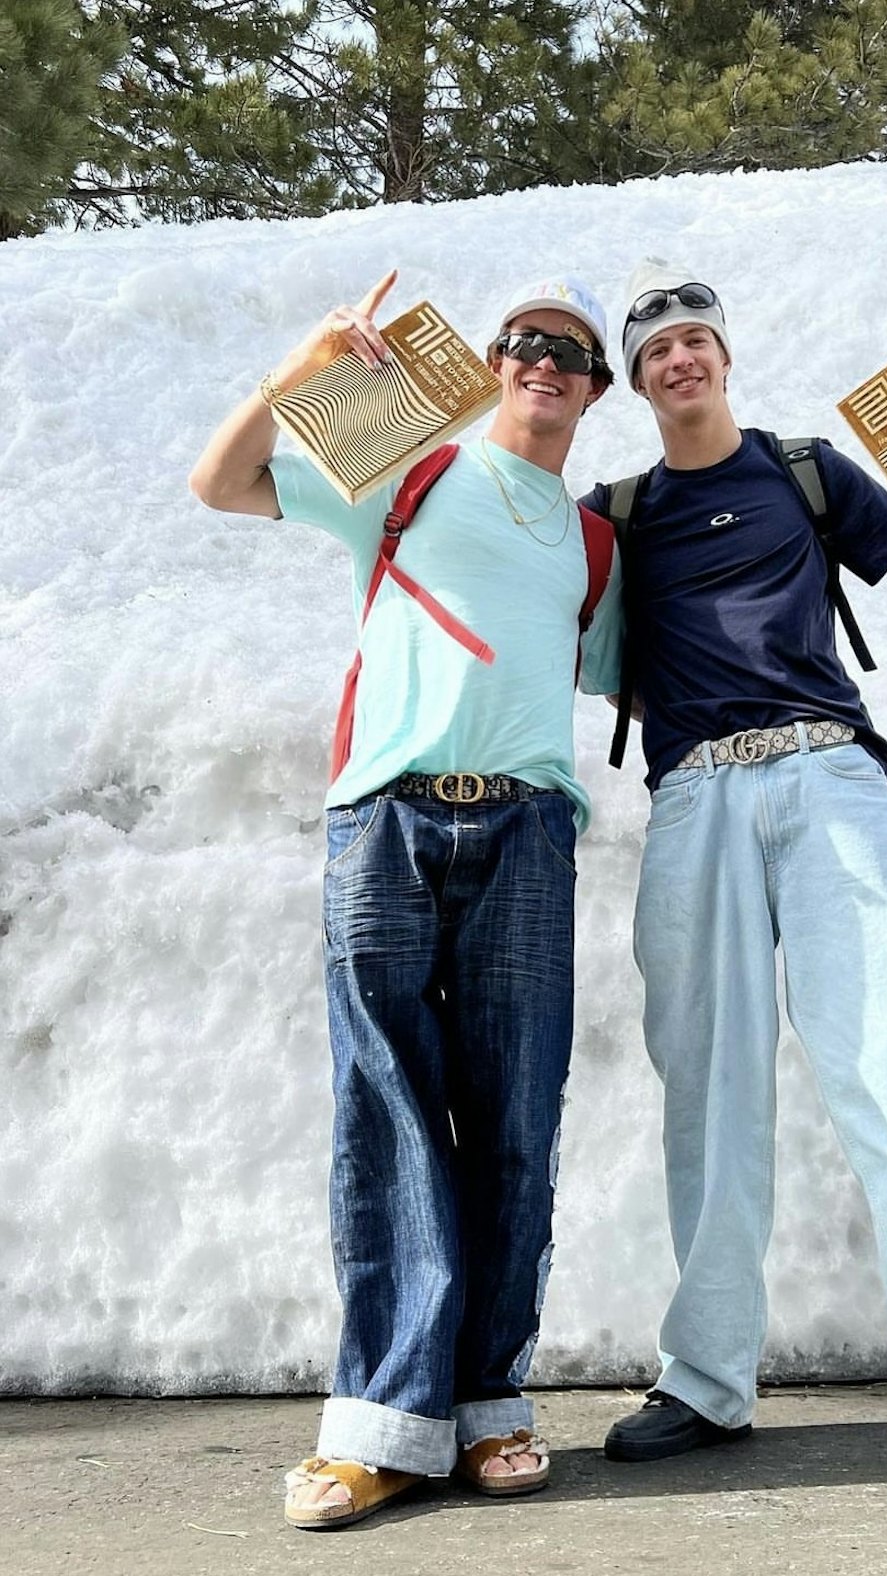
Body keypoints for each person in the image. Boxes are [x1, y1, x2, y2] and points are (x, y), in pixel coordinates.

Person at [579, 262, 887, 1523]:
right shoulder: (610, 511)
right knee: (709, 1089)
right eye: (655, 348)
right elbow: (530, 611)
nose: (679, 359)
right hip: (690, 797)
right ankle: (709, 1378)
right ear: (635, 380)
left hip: (824, 772)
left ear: (724, 357)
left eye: (694, 340)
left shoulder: (807, 470)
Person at [189, 271, 621, 1530]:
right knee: (385, 1109)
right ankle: (381, 1425)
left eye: (571, 353)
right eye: (526, 342)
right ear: (495, 362)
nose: (545, 363)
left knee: (514, 1119)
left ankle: (488, 1407)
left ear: (594, 389)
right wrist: (301, 366)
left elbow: (662, 658)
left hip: (529, 831)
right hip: (384, 817)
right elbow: (223, 482)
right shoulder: (410, 471)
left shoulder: (593, 542)